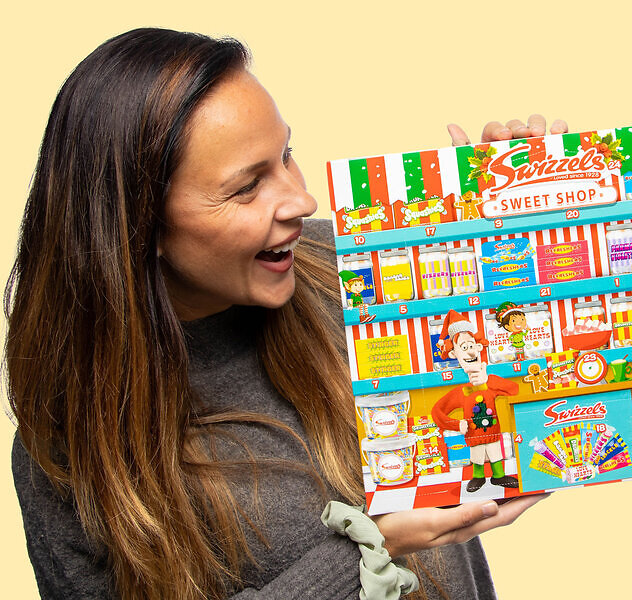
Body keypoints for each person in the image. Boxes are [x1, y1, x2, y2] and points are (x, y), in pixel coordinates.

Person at [5, 28, 567, 599]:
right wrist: (368, 551)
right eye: (247, 187)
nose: (303, 201)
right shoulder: (66, 456)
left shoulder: (358, 272)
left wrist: (525, 218)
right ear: (138, 225)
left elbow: (512, 367)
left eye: (286, 156)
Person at [432, 311, 519, 493]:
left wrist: (488, 381)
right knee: (477, 455)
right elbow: (437, 411)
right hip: (473, 436)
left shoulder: (490, 381)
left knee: (495, 453)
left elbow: (514, 389)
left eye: (471, 346)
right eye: (464, 347)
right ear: (454, 353)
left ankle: (498, 476)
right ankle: (478, 476)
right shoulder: (460, 391)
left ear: (479, 347)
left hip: (493, 433)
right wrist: (456, 425)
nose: (470, 351)